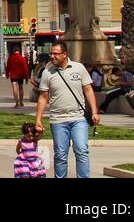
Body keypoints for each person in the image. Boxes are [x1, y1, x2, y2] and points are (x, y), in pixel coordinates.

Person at [34, 41, 100, 179]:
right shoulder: (47, 72)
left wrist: (94, 111)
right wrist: (38, 120)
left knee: (82, 150)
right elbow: (43, 97)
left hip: (79, 118)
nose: (52, 56)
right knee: (60, 154)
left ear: (65, 54)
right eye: (51, 53)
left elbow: (88, 90)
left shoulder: (78, 68)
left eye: (56, 54)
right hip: (58, 119)